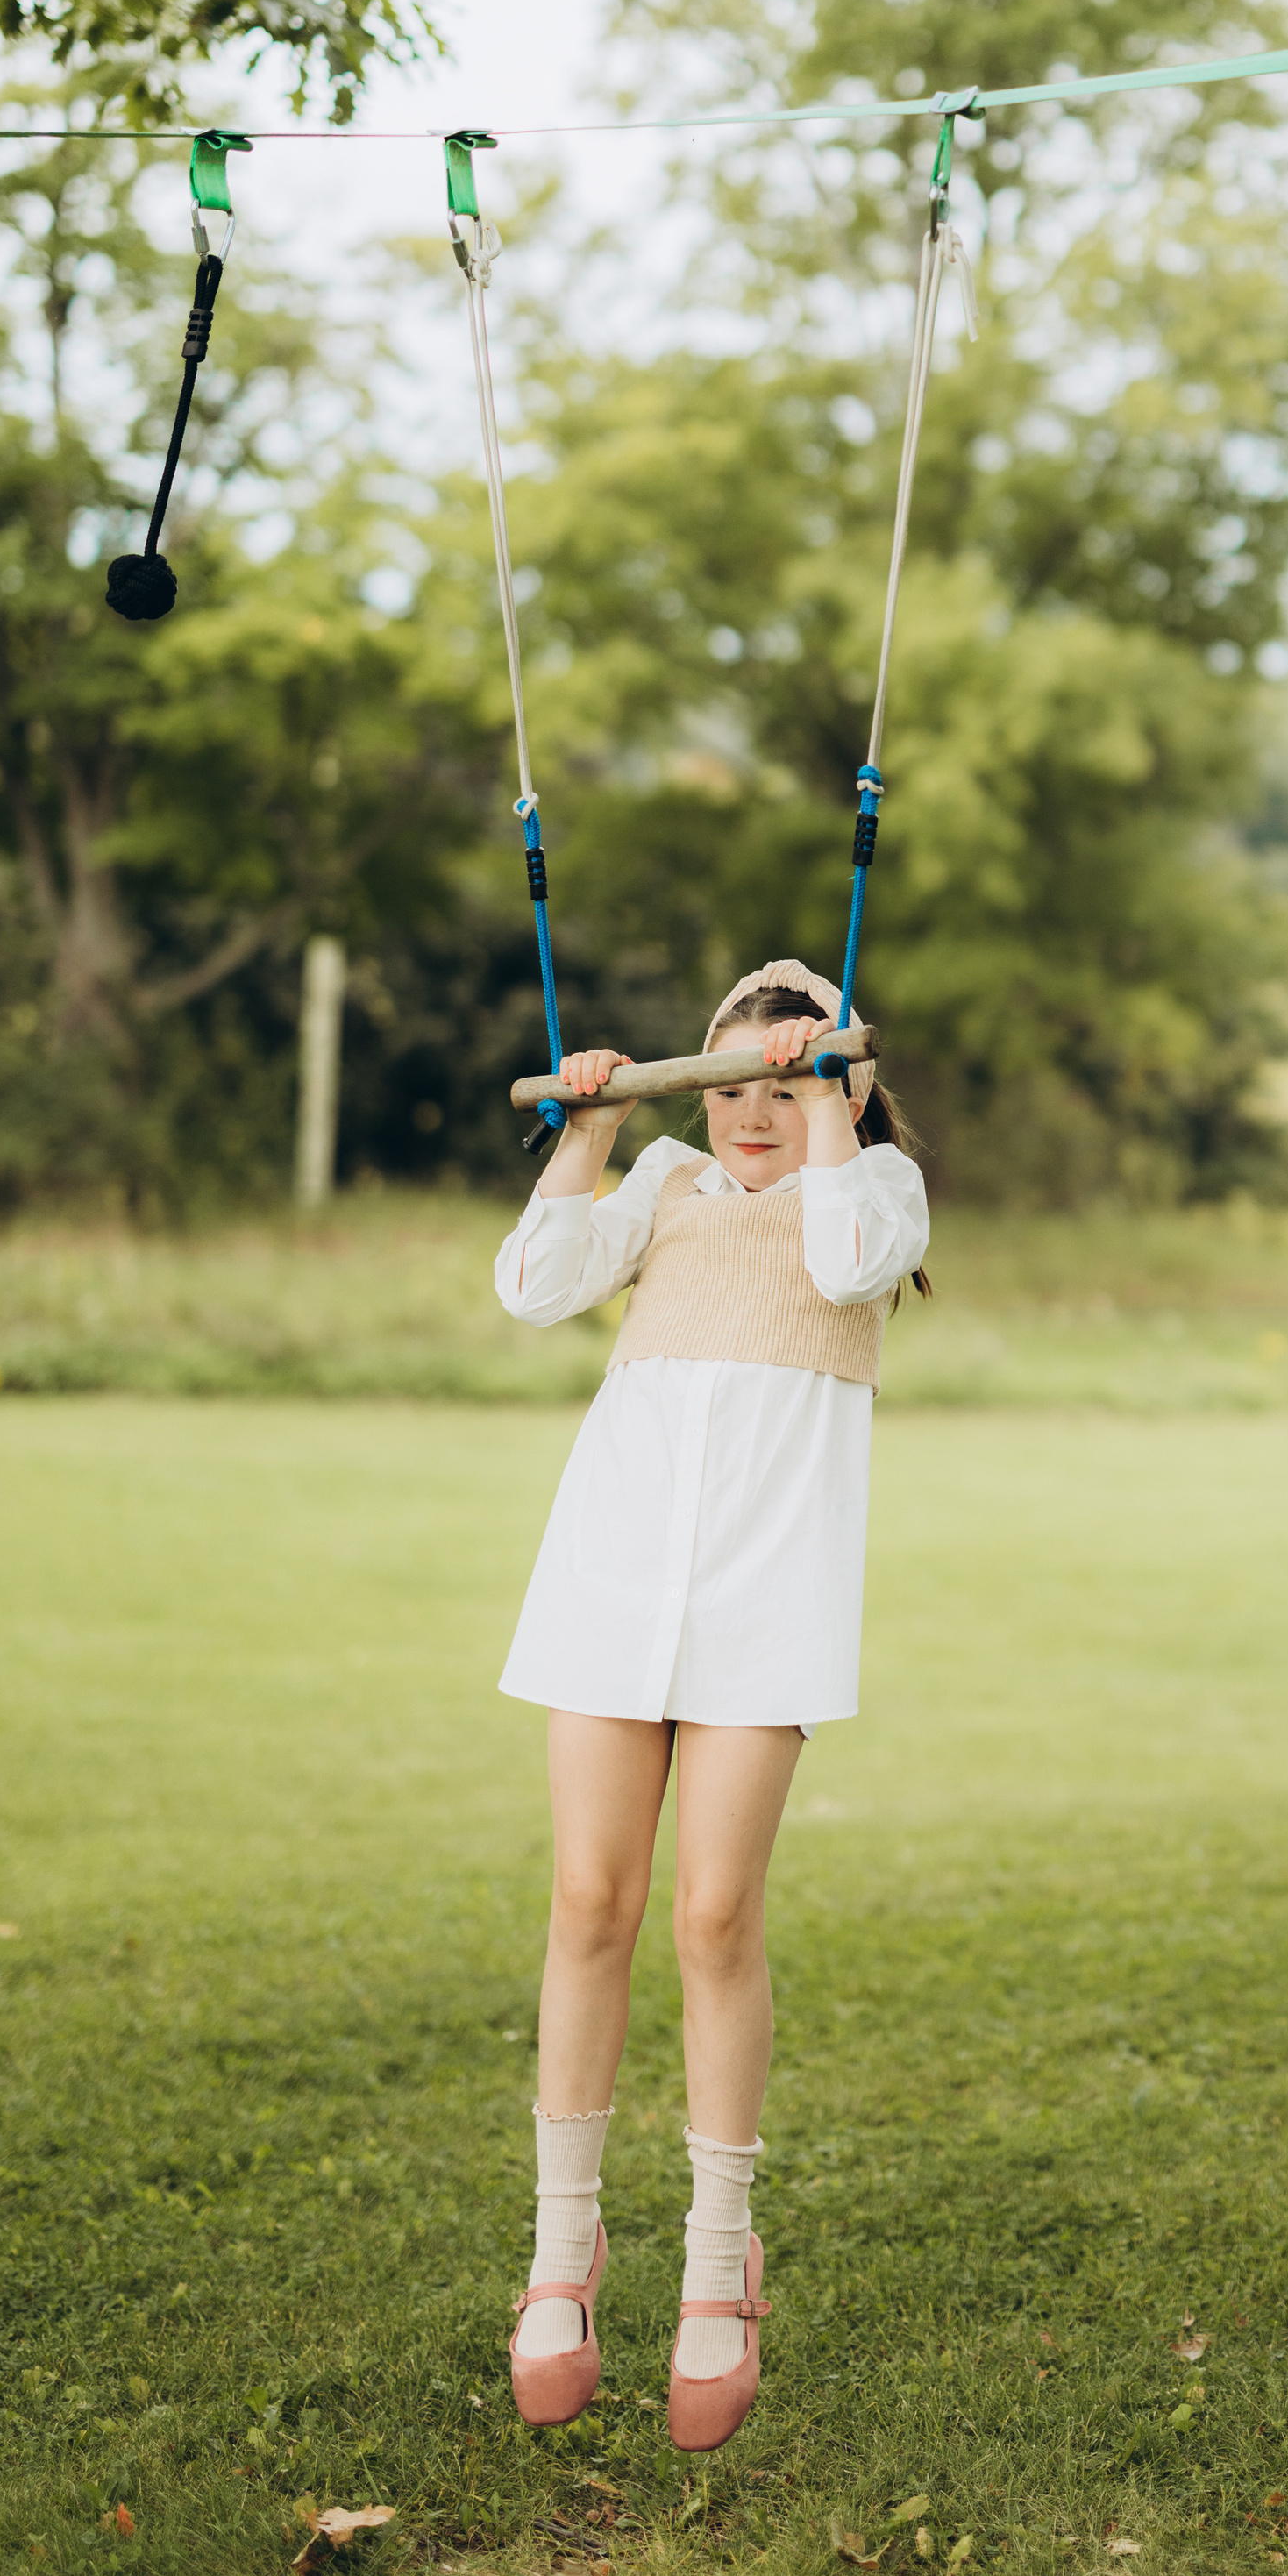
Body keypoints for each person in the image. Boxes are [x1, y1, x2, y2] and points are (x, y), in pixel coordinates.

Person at [490, 957, 930, 2451]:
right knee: (589, 1899)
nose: (752, 1114)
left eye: (788, 1084)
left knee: (713, 1918)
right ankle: (564, 2253)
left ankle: (716, 2257)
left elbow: (851, 1263)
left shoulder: (869, 1194)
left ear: (843, 1089)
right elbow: (535, 1287)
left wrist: (833, 1109)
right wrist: (597, 1129)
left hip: (765, 1603)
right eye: (731, 1085)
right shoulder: (667, 1177)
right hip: (610, 1581)